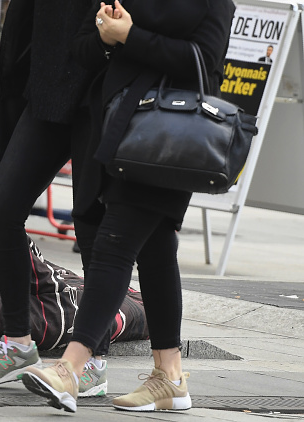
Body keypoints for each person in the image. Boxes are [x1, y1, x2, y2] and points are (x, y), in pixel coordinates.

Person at [19, 0, 236, 413]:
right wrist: (105, 37)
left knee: (113, 246)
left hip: (169, 138)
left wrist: (130, 38)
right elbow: (82, 48)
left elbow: (205, 62)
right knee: (155, 253)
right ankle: (169, 376)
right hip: (119, 130)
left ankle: (70, 368)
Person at [0, 0, 111, 397]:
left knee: (93, 230)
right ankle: (18, 343)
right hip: (46, 91)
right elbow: (21, 18)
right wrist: (11, 86)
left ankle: (92, 361)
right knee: (2, 209)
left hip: (101, 97)